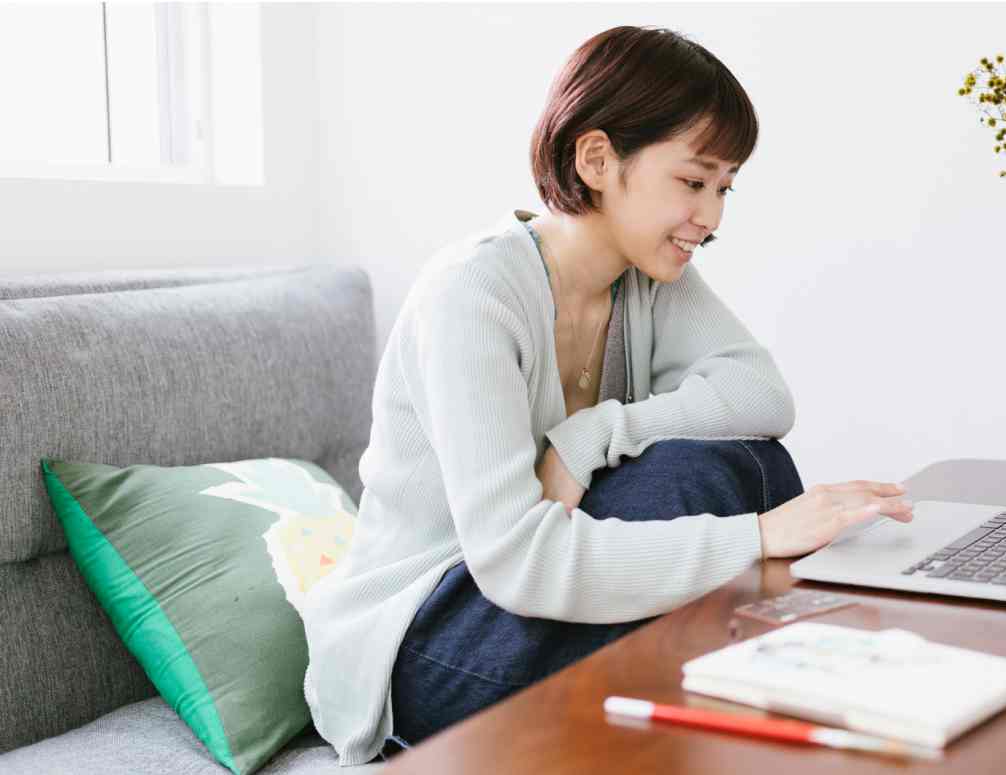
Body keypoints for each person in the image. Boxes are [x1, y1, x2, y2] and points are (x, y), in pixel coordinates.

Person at [299, 25, 915, 766]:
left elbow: (761, 395)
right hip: (421, 645)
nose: (713, 218)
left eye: (724, 187)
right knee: (701, 482)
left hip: (522, 612)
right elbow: (517, 560)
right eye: (693, 182)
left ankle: (778, 688)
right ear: (597, 159)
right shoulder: (473, 296)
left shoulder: (647, 281)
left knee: (747, 461)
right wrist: (758, 537)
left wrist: (593, 432)